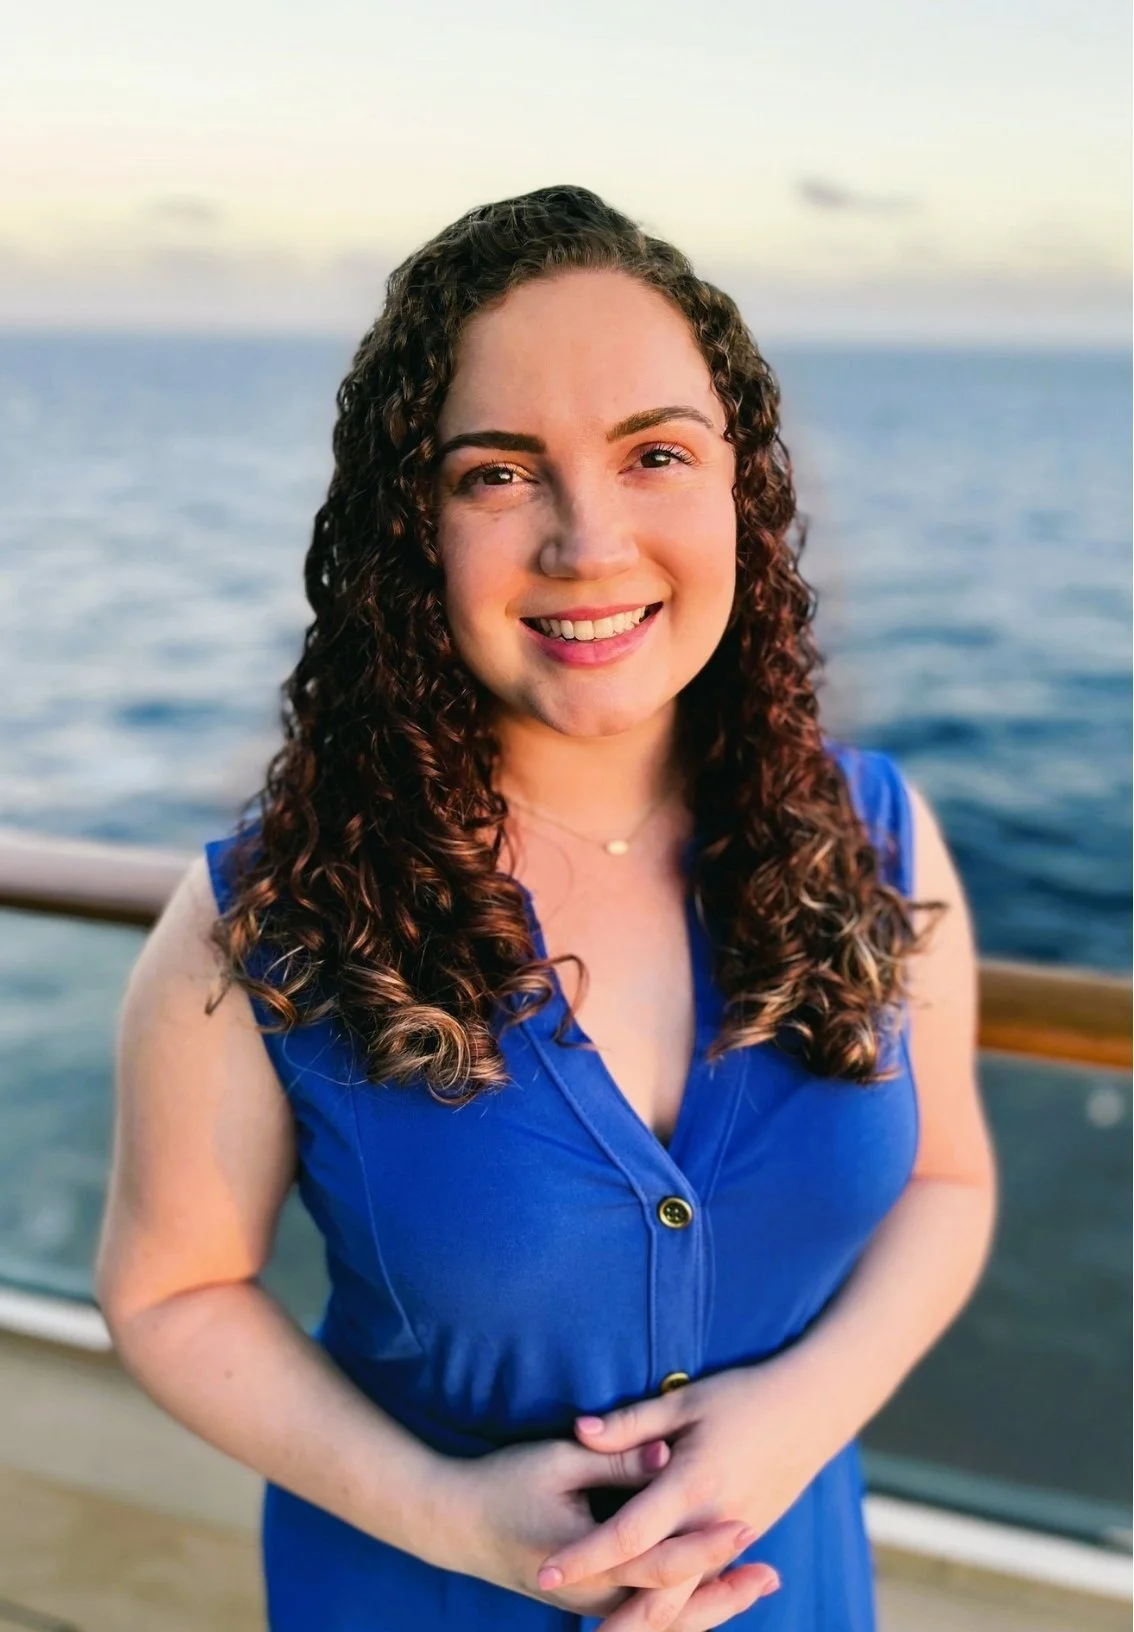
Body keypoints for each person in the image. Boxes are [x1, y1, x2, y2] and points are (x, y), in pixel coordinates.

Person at [95, 184, 997, 1631]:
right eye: (498, 474)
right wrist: (449, 1516)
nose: (588, 541)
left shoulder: (875, 835)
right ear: (412, 526)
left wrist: (795, 1416)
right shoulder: (262, 923)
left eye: (655, 454)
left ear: (739, 488)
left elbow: (948, 1183)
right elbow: (169, 1292)